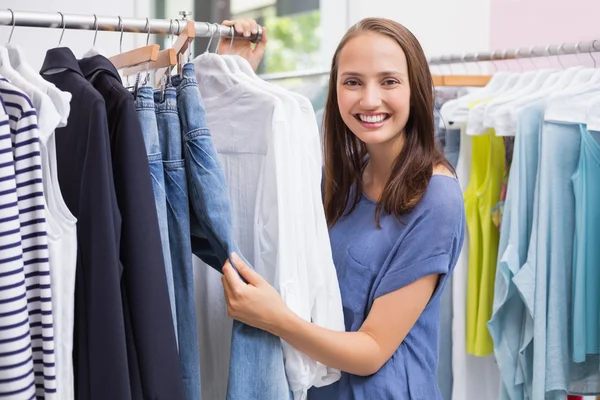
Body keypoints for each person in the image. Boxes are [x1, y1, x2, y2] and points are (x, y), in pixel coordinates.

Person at [218, 17, 466, 399]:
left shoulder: (436, 198)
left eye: (389, 81)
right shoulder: (343, 180)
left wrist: (275, 318)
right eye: (352, 82)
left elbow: (371, 350)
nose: (369, 100)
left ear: (416, 90)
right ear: (335, 91)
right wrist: (235, 77)